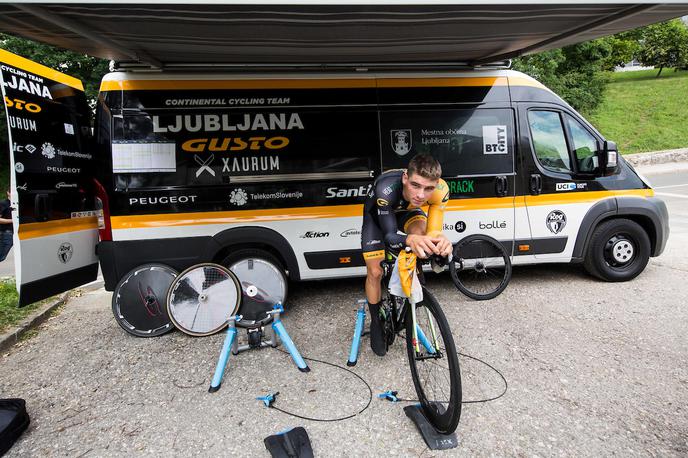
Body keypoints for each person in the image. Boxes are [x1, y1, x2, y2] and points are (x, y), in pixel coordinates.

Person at [361, 153, 452, 356]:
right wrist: (410, 241)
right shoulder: (385, 189)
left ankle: (415, 276)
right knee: (375, 271)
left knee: (422, 235)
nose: (421, 195)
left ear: (436, 184)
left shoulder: (441, 191)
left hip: (408, 213)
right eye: (415, 185)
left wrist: (441, 244)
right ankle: (376, 320)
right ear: (405, 178)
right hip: (378, 218)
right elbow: (390, 236)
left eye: (428, 188)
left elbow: (434, 232)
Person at [0, 188, 14, 262]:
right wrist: (13, 221)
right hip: (6, 233)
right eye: (12, 192)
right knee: (1, 256)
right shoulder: (3, 203)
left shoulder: (16, 204)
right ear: (8, 193)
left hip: (18, 233)